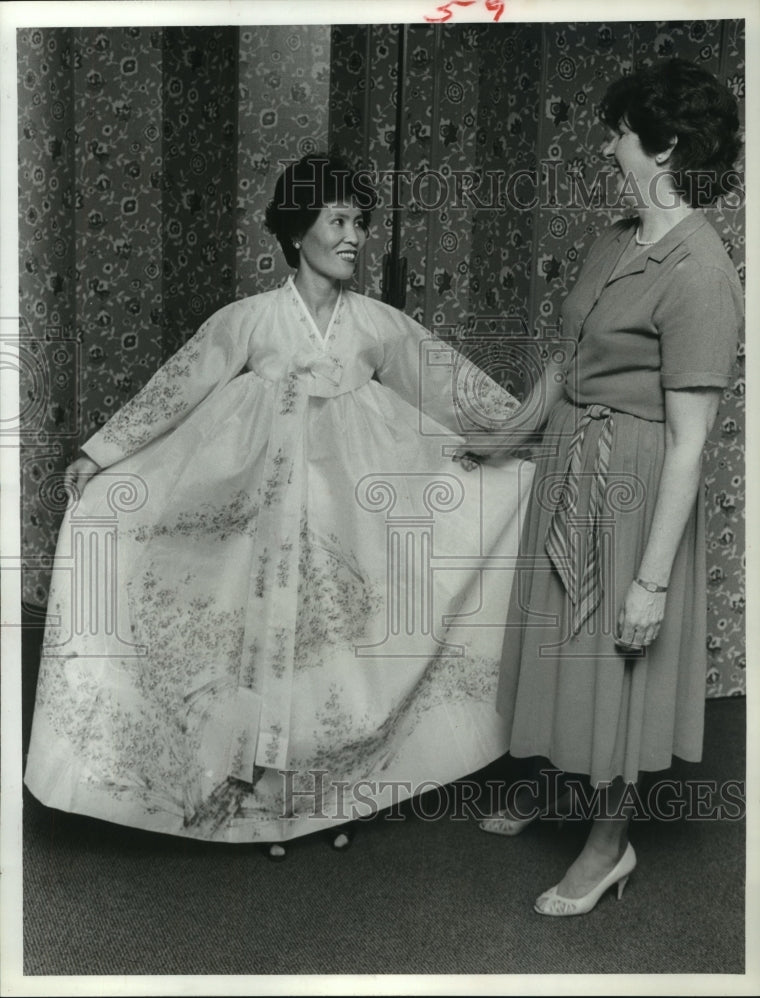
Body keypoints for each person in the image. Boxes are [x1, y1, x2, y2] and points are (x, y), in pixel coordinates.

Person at [24, 154, 532, 858]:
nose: (355, 237)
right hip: (258, 519)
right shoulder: (250, 320)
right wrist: (103, 456)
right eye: (339, 221)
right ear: (300, 233)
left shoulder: (379, 326)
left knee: (336, 659)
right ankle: (251, 799)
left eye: (360, 222)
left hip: (348, 521)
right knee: (256, 648)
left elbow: (451, 389)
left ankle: (326, 797)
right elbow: (178, 390)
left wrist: (520, 442)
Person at [460, 58, 743, 914]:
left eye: (619, 130)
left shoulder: (701, 271)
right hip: (570, 467)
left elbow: (692, 443)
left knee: (623, 658)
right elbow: (567, 359)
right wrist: (509, 436)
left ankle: (609, 846)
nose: (606, 143)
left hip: (635, 488)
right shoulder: (616, 237)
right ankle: (557, 782)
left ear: (664, 147)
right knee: (562, 641)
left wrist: (652, 582)